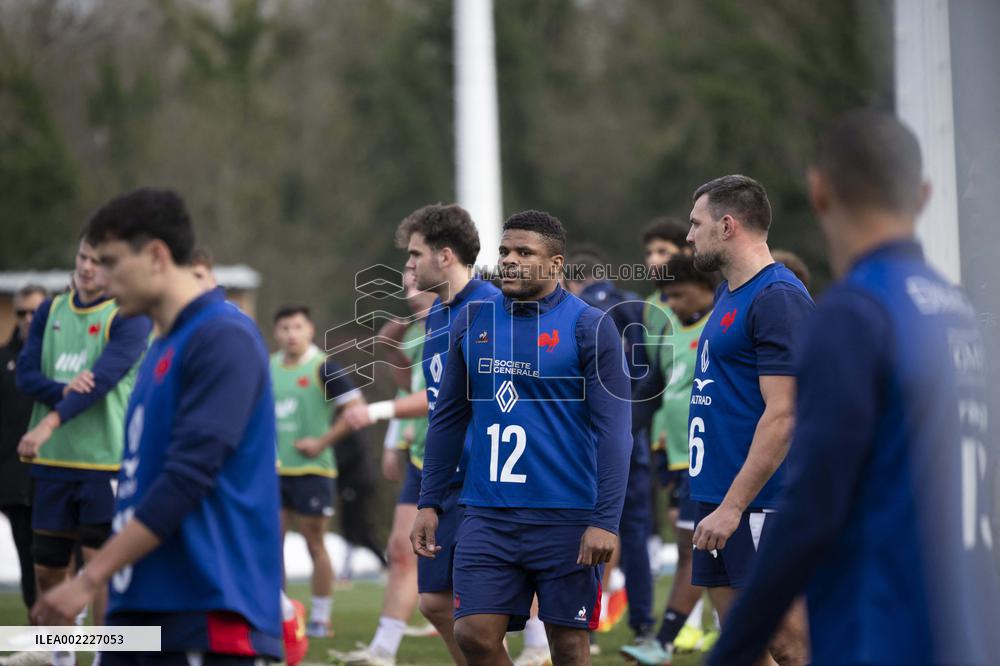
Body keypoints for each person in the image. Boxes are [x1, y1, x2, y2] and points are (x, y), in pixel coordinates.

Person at [709, 111, 1000, 665]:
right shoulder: (955, 311)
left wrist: (733, 648)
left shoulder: (855, 313)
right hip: (968, 629)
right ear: (924, 195)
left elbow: (812, 507)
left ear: (819, 191)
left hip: (882, 627)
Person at [31, 188, 284, 665]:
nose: (98, 277)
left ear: (156, 256)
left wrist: (88, 579)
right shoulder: (159, 348)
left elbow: (186, 480)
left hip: (204, 616)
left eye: (109, 261)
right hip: (138, 613)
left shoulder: (222, 337)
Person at [411, 210, 633, 665]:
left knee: (568, 647)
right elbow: (448, 419)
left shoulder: (589, 327)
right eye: (505, 252)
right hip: (487, 514)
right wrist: (429, 501)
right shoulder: (472, 321)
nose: (509, 261)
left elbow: (616, 432)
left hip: (566, 516)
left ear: (555, 264)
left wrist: (605, 520)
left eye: (524, 253)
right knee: (473, 634)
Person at [342, 203, 499, 665]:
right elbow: (437, 406)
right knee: (434, 603)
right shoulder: (435, 320)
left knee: (481, 616)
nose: (407, 267)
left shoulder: (491, 307)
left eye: (414, 255)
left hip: (486, 485)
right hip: (445, 480)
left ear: (445, 256)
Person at [685, 175, 814, 666]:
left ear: (727, 225)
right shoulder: (728, 294)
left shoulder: (777, 296)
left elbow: (785, 414)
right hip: (715, 498)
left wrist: (734, 507)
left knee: (792, 644)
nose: (689, 236)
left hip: (761, 504)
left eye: (696, 224)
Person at [16, 235, 152, 666]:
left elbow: (100, 383)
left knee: (101, 571)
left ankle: (106, 659)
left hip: (105, 462)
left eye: (99, 261)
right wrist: (60, 389)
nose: (88, 267)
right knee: (48, 570)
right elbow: (25, 376)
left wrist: (51, 418)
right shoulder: (49, 310)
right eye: (82, 257)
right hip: (53, 462)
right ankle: (60, 659)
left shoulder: (129, 317)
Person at [334, 272, 437, 666]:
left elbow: (436, 395)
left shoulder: (463, 325)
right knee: (400, 548)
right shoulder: (415, 333)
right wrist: (391, 346)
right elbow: (407, 385)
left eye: (419, 285)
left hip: (469, 458)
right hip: (422, 455)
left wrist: (376, 412)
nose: (410, 294)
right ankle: (383, 650)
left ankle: (537, 645)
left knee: (499, 557)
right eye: (407, 286)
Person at [621, 254, 717, 665]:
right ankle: (667, 640)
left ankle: (666, 640)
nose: (672, 304)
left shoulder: (727, 323)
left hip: (723, 459)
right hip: (684, 459)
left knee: (704, 552)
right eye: (667, 296)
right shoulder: (667, 329)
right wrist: (618, 434)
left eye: (677, 295)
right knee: (694, 550)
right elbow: (653, 389)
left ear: (706, 285)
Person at [565, 245, 656, 648]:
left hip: (592, 437)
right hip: (633, 437)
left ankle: (588, 618)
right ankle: (643, 625)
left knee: (591, 528)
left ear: (572, 280)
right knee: (634, 534)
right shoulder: (637, 306)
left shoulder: (579, 310)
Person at [271, 305, 367, 637]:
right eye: (284, 328)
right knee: (272, 542)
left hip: (313, 471)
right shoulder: (268, 367)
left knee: (315, 543)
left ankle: (321, 617)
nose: (291, 334)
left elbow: (357, 409)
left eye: (297, 326)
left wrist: (322, 440)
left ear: (310, 330)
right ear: (276, 333)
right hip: (275, 471)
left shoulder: (323, 367)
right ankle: (278, 613)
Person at [1, 285, 47, 616]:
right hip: (17, 487)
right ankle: (45, 651)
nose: (28, 319)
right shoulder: (2, 361)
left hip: (61, 478)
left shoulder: (62, 361)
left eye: (36, 311)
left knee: (63, 570)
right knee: (32, 574)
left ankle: (69, 651)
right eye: (22, 312)